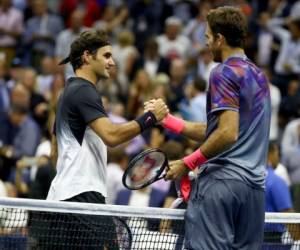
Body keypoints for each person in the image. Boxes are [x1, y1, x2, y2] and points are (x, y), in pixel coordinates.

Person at [29, 29, 168, 249]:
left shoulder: (65, 94)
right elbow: (111, 136)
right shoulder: (85, 91)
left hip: (60, 200)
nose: (112, 62)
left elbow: (56, 152)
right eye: (106, 55)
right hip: (83, 198)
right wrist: (151, 118)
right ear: (87, 56)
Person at [147, 7, 271, 249]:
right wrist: (169, 121)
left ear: (219, 39)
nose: (206, 44)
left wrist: (187, 162)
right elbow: (223, 128)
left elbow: (227, 133)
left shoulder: (222, 72)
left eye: (207, 37)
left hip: (220, 185)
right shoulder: (259, 76)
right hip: (253, 192)